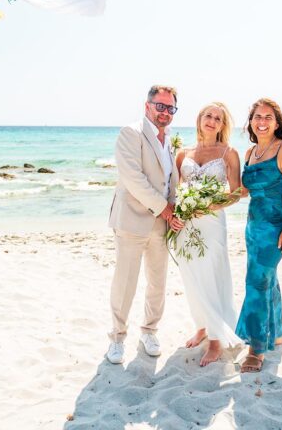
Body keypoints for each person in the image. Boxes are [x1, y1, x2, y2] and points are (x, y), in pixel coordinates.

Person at [106, 85, 185, 364]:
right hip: (132, 219)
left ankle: (149, 331)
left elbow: (171, 180)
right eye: (160, 106)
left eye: (170, 108)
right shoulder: (131, 133)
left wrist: (178, 208)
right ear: (147, 105)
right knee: (125, 282)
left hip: (161, 224)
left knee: (157, 282)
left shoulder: (171, 140)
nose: (164, 112)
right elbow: (133, 179)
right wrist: (165, 209)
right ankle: (117, 338)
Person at [236, 98, 282, 373]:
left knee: (257, 283)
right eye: (257, 117)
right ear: (250, 122)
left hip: (275, 227)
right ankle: (276, 334)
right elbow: (242, 192)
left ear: (277, 123)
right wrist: (206, 199)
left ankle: (256, 348)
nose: (262, 122)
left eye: (267, 117)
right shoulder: (249, 153)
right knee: (268, 281)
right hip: (253, 227)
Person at [174, 102, 243, 366]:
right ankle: (201, 326)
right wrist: (180, 213)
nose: (212, 120)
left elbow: (236, 192)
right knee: (191, 278)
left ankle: (215, 340)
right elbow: (178, 190)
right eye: (208, 115)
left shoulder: (229, 153)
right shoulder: (183, 153)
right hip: (186, 225)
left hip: (213, 223)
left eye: (218, 118)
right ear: (199, 119)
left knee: (212, 275)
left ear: (223, 125)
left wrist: (208, 205)